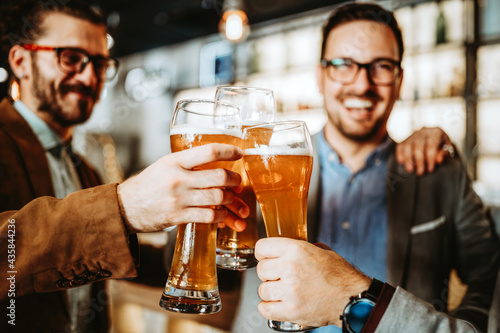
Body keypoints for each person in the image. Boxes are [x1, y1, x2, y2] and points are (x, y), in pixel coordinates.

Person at [249, 3, 500, 333]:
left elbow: (490, 272)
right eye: (343, 65)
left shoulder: (439, 171)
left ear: (399, 80)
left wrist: (469, 325)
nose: (362, 84)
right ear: (320, 76)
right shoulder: (262, 165)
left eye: (381, 66)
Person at [0, 1, 249, 332]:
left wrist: (200, 250)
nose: (89, 76)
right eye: (70, 58)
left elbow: (92, 256)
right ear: (21, 61)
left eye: (100, 64)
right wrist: (123, 207)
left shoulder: (82, 168)